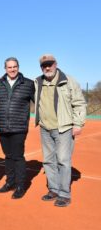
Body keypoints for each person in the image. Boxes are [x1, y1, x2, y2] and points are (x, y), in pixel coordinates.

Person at [34, 54, 86, 207]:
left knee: (63, 160)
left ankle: (64, 194)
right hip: (45, 128)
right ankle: (54, 189)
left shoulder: (68, 80)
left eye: (50, 64)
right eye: (44, 65)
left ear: (56, 64)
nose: (47, 67)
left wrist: (78, 124)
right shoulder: (38, 82)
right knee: (48, 161)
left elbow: (79, 103)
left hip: (63, 128)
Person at [0, 57, 35, 199]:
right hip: (2, 126)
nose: (12, 69)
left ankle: (20, 186)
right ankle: (9, 182)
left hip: (19, 127)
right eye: (9, 67)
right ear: (5, 68)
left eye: (14, 66)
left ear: (18, 67)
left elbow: (40, 102)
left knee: (17, 156)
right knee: (8, 156)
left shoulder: (28, 84)